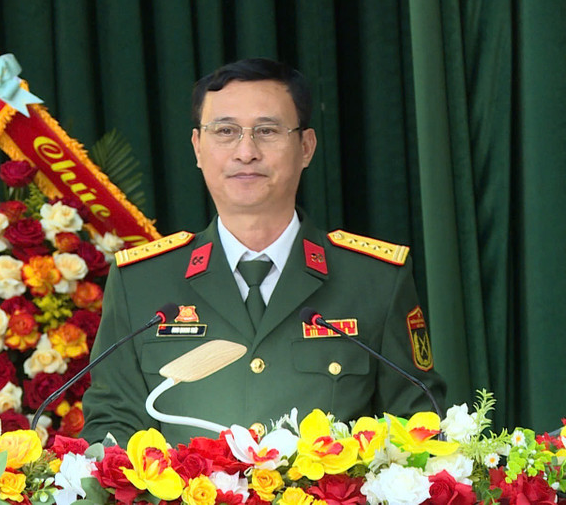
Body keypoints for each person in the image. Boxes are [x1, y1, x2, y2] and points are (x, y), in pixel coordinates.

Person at [80, 58, 446, 446]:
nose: (246, 151)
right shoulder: (142, 282)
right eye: (225, 131)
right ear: (197, 148)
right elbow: (112, 425)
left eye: (267, 130)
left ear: (306, 147)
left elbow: (419, 424)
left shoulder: (375, 279)